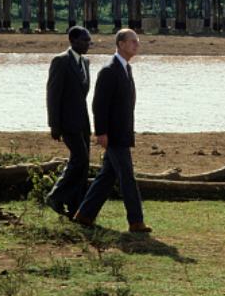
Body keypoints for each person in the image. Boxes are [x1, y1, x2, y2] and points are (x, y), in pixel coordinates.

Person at [73, 29, 151, 233]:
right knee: (127, 177)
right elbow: (99, 104)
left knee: (107, 177)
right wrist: (101, 132)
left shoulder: (126, 68)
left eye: (137, 41)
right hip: (113, 135)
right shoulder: (109, 70)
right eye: (133, 41)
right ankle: (136, 221)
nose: (137, 45)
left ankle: (84, 215)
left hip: (123, 132)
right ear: (121, 44)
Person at [45, 26, 93, 217]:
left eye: (89, 41)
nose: (88, 44)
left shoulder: (86, 62)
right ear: (72, 41)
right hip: (67, 122)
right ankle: (55, 196)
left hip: (83, 121)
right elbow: (53, 94)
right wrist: (54, 125)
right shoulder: (61, 61)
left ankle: (76, 206)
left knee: (83, 162)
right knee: (79, 159)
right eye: (84, 41)